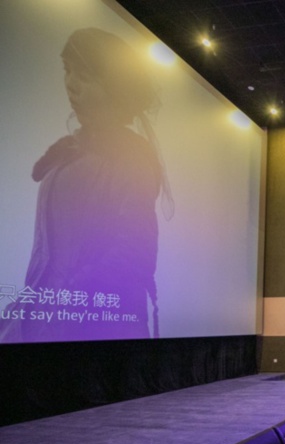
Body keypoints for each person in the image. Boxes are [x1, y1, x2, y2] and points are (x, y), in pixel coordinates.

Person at [1, 28, 171, 343]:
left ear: (114, 87)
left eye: (85, 76)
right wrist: (25, 312)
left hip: (93, 334)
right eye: (68, 71)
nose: (71, 84)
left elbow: (134, 254)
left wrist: (60, 300)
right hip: (49, 328)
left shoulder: (130, 158)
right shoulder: (69, 153)